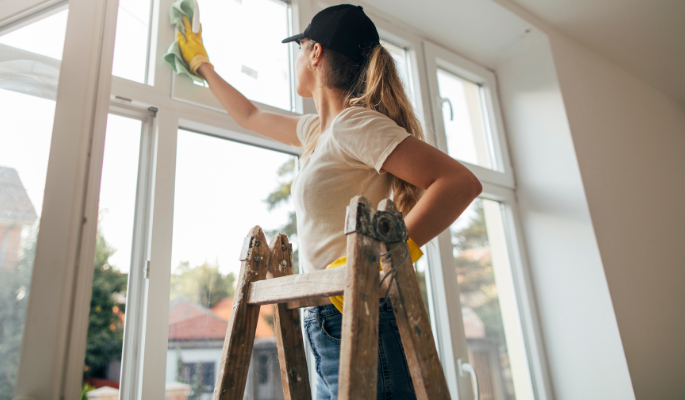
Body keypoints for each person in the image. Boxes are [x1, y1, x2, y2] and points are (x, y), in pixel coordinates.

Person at [176, 3, 482, 399]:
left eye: (300, 48)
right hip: (326, 319)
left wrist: (387, 257)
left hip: (361, 314)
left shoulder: (356, 124)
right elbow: (249, 115)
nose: (298, 58)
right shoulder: (318, 132)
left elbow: (459, 182)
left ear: (315, 52)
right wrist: (202, 64)